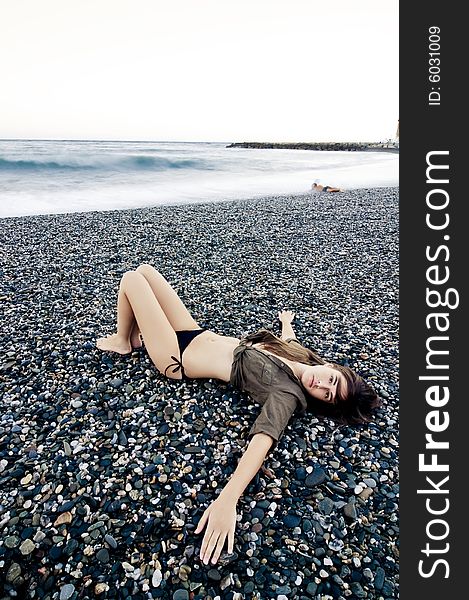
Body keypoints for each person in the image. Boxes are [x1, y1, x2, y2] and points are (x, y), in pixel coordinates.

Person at [96, 264, 380, 566]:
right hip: (194, 332)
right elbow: (292, 343)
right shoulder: (306, 358)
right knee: (145, 270)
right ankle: (137, 335)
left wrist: (227, 500)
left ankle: (124, 341)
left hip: (176, 357)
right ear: (333, 367)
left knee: (132, 280)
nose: (321, 385)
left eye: (327, 395)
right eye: (331, 381)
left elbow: (264, 438)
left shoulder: (287, 394)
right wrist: (286, 323)